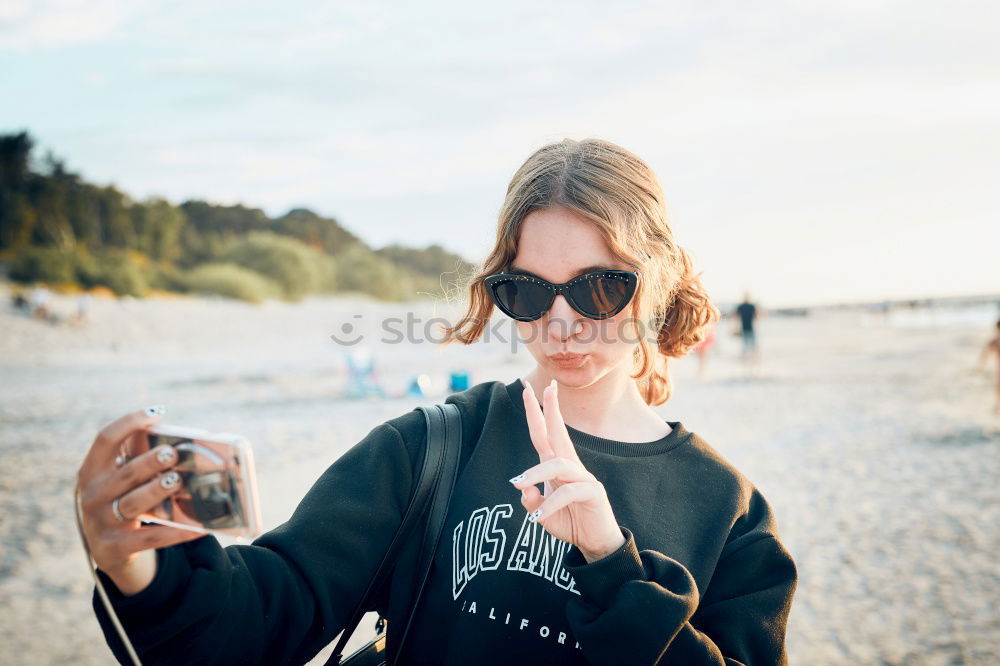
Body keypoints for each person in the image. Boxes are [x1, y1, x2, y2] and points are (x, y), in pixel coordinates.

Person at [77, 138, 797, 665]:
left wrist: (612, 563)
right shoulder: (431, 449)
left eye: (599, 287)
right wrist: (137, 564)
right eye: (527, 291)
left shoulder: (728, 512)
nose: (561, 323)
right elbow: (269, 610)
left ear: (660, 277)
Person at [975, 317, 1000, 414]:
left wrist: (980, 367)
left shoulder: (994, 340)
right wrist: (980, 366)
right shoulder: (994, 341)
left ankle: (997, 405)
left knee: (998, 387)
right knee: (998, 387)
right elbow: (985, 354)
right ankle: (997, 405)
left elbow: (984, 355)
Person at [734, 293, 760, 375]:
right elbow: (757, 318)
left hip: (746, 329)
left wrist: (736, 328)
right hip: (750, 330)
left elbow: (736, 318)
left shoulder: (741, 307)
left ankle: (749, 363)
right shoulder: (751, 306)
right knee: (751, 347)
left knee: (747, 348)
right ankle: (750, 363)